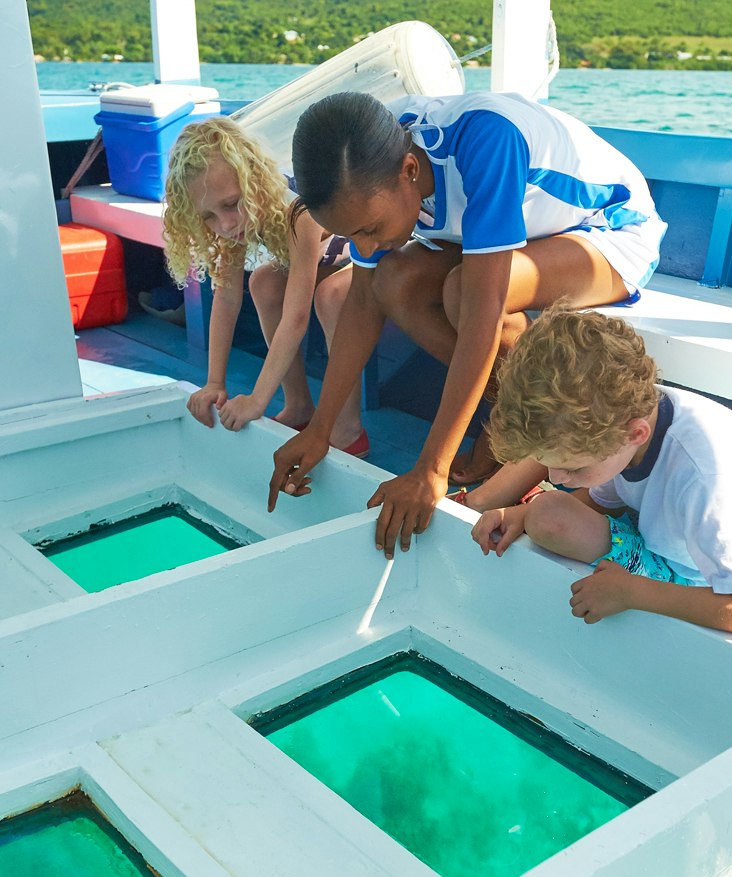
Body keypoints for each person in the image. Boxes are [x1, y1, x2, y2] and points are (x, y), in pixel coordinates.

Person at [266, 91, 667, 558]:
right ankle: (511, 420)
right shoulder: (372, 152)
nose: (366, 247)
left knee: (462, 292)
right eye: (351, 235)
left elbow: (483, 311)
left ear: (410, 172)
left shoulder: (487, 140)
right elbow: (361, 301)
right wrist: (319, 429)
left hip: (610, 230)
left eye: (370, 229)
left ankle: (518, 433)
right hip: (530, 239)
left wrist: (431, 469)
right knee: (391, 280)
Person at [466, 308, 732, 638]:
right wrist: (520, 513)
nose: (555, 478)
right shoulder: (623, 417)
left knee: (548, 516)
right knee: (545, 515)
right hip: (669, 538)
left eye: (573, 467)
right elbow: (609, 500)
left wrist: (632, 592)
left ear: (634, 434)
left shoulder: (706, 483)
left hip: (704, 581)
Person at [163, 117, 367, 455]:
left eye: (230, 204)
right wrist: (215, 382)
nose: (225, 224)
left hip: (373, 250)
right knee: (263, 282)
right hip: (328, 257)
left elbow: (297, 318)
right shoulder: (234, 223)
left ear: (254, 181)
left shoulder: (297, 212)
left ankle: (348, 428)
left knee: (329, 297)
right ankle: (299, 406)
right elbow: (226, 300)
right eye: (208, 216)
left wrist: (258, 399)